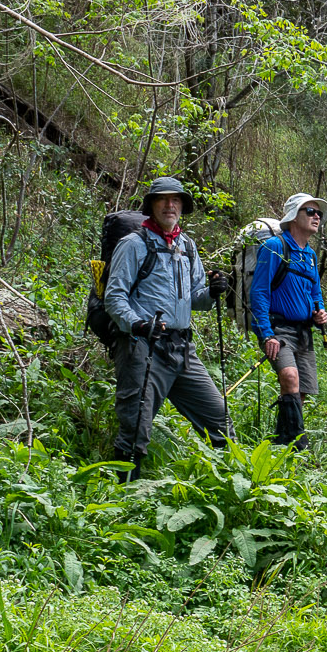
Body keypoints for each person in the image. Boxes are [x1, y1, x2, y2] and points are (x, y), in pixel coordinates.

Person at [103, 176, 230, 473]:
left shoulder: (187, 246)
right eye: (163, 199)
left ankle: (228, 488)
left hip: (182, 348)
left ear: (183, 206)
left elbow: (196, 298)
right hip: (142, 346)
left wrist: (212, 292)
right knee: (136, 428)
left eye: (176, 199)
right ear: (152, 205)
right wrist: (136, 325)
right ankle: (119, 496)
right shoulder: (133, 244)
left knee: (219, 419)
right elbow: (115, 297)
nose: (170, 205)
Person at [248, 192, 327, 447]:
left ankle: (281, 445)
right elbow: (259, 291)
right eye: (310, 211)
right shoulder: (275, 247)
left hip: (304, 331)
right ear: (294, 216)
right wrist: (266, 333)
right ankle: (298, 445)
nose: (317, 216)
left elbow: (315, 292)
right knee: (290, 378)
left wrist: (320, 312)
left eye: (319, 213)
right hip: (278, 328)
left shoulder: (311, 255)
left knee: (300, 390)